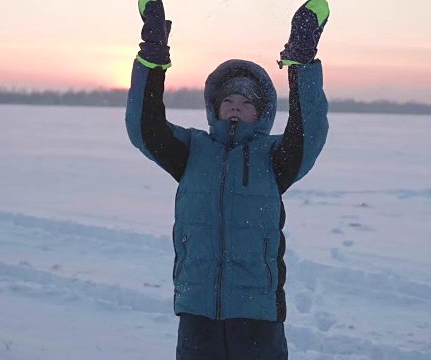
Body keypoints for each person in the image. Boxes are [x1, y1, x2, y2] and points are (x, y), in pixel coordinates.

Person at [125, 0, 329, 358]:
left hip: (257, 314)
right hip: (197, 309)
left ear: (262, 112)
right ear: (214, 106)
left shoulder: (274, 157)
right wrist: (152, 58)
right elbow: (144, 127)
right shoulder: (191, 151)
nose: (237, 105)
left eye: (248, 101)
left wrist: (301, 63)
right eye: (229, 98)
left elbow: (308, 133)